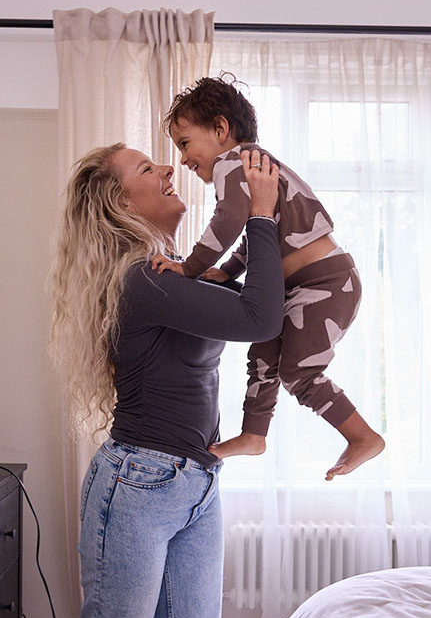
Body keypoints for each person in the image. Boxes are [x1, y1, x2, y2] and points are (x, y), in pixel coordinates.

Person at [48, 143, 284, 618]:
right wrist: (259, 215)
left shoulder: (172, 273)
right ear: (122, 203)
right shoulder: (142, 279)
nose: (168, 168)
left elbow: (259, 300)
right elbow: (260, 318)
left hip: (196, 479)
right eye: (147, 168)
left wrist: (262, 224)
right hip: (139, 484)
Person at [158, 73, 385, 481]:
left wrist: (189, 268)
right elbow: (258, 233)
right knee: (262, 358)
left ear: (221, 129)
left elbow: (228, 222)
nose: (184, 160)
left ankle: (363, 436)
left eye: (185, 144)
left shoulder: (235, 162)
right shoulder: (254, 168)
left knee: (299, 372)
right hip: (302, 288)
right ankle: (253, 435)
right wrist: (226, 271)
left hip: (325, 285)